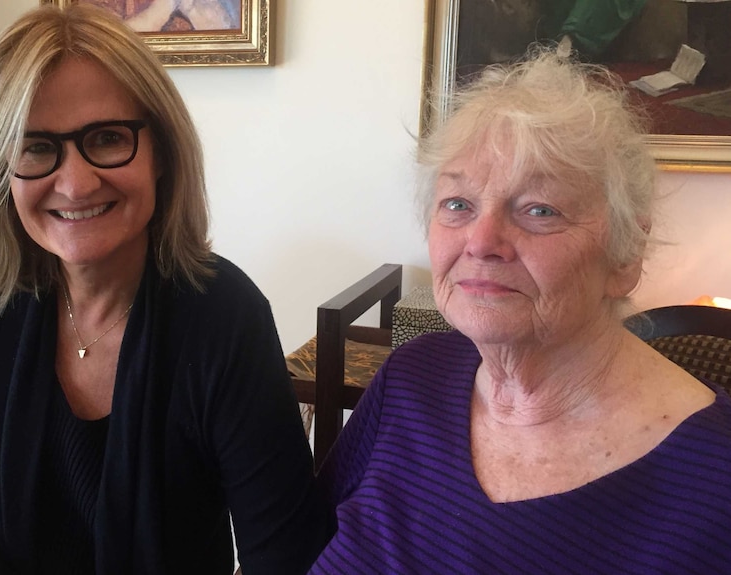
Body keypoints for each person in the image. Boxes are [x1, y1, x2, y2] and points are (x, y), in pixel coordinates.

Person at [0, 4, 328, 574]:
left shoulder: (226, 317)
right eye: (36, 146)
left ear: (160, 152)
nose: (77, 183)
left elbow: (283, 557)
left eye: (108, 138)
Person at [309, 50, 731, 574]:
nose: (481, 242)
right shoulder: (412, 378)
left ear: (625, 256)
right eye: (458, 204)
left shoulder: (717, 486)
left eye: (540, 209)